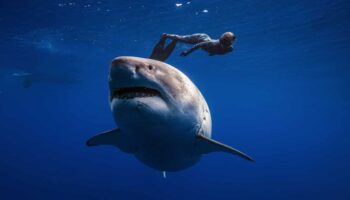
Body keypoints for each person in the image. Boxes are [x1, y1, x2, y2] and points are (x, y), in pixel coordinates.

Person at [163, 32, 236, 56]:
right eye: (228, 43)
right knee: (182, 39)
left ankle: (174, 40)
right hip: (199, 38)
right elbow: (199, 45)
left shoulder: (230, 49)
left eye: (230, 43)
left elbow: (219, 51)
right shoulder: (212, 44)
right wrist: (187, 52)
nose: (229, 45)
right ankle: (166, 35)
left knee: (181, 39)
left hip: (205, 42)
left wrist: (213, 53)